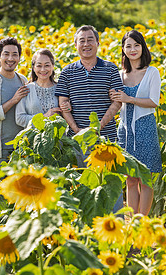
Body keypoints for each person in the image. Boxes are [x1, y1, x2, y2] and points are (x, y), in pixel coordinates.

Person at [55, 25, 124, 213]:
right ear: (76, 45)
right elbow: (63, 104)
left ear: (98, 43)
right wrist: (78, 131)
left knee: (112, 184)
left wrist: (100, 126)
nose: (86, 44)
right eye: (82, 40)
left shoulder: (110, 69)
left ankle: (115, 225)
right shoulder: (67, 72)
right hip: (79, 141)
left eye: (90, 40)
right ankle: (89, 232)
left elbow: (117, 102)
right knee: (85, 186)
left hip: (107, 138)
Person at [109, 30, 162, 215]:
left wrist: (128, 99)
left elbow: (154, 102)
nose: (132, 49)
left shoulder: (151, 72)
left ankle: (142, 222)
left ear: (143, 47)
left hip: (145, 127)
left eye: (136, 45)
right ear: (123, 49)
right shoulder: (120, 74)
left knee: (146, 179)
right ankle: (131, 223)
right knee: (130, 179)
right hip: (125, 130)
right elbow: (116, 101)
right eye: (128, 46)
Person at [0, 37, 29, 173]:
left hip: (22, 148)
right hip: (0, 149)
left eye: (15, 54)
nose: (10, 58)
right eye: (6, 54)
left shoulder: (23, 80)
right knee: (0, 192)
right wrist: (13, 100)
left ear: (19, 58)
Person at [16, 49, 71, 128]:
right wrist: (44, 116)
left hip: (57, 138)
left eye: (47, 65)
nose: (43, 69)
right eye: (39, 65)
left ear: (53, 66)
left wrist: (68, 107)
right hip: (33, 138)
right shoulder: (26, 89)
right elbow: (19, 119)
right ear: (34, 68)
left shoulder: (61, 88)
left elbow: (67, 115)